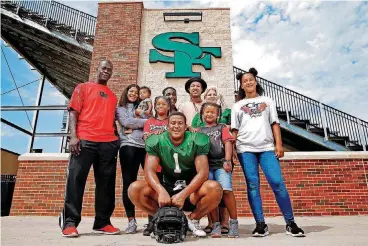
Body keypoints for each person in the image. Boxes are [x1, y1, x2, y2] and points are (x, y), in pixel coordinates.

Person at [231, 68, 305, 237]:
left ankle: (290, 223)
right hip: (245, 149)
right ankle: (260, 225)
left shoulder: (268, 100)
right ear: (241, 86)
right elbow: (234, 129)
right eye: (244, 81)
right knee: (252, 185)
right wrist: (233, 149)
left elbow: (274, 123)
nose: (248, 82)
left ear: (255, 81)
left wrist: (278, 145)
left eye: (250, 79)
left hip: (266, 148)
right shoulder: (237, 106)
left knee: (277, 183)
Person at [128, 112, 223, 237]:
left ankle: (191, 220)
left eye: (180, 123)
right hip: (167, 186)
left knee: (214, 188)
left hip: (190, 189)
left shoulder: (196, 139)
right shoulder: (157, 140)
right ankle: (161, 219)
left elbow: (203, 172)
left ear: (185, 127)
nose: (176, 126)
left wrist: (183, 194)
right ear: (167, 126)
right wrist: (160, 191)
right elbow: (149, 170)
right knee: (134, 189)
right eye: (173, 123)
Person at [59, 60, 120, 237]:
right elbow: (73, 111)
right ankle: (70, 222)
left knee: (106, 185)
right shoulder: (83, 87)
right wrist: (73, 136)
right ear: (97, 69)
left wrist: (115, 140)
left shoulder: (112, 95)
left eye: (109, 70)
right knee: (76, 181)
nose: (106, 71)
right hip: (85, 140)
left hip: (108, 143)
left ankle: (102, 222)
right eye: (104, 68)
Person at [198, 102, 239, 238]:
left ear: (218, 115)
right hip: (206, 167)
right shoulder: (199, 130)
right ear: (202, 114)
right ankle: (216, 224)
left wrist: (227, 160)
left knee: (227, 191)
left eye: (212, 112)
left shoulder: (222, 127)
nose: (209, 114)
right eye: (207, 112)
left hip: (221, 165)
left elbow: (228, 143)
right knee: (212, 195)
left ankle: (233, 223)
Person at [116, 84, 147, 234]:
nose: (134, 94)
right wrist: (143, 123)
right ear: (126, 92)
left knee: (152, 181)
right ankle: (131, 221)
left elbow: (151, 121)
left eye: (136, 92)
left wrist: (140, 121)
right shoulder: (120, 109)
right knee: (129, 182)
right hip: (128, 146)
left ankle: (152, 220)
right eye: (131, 91)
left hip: (145, 147)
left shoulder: (144, 106)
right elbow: (126, 122)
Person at [142, 96, 170, 236]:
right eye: (158, 104)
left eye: (163, 104)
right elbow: (147, 140)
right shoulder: (149, 122)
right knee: (153, 194)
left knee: (166, 193)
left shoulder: (171, 122)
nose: (160, 106)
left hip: (167, 164)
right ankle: (152, 222)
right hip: (152, 164)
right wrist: (158, 136)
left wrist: (159, 136)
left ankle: (166, 222)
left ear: (168, 107)